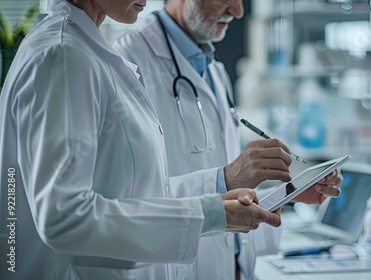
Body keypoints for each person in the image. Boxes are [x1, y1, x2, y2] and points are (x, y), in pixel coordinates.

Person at [0, 0, 283, 279]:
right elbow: (64, 218)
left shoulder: (87, 50)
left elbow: (136, 191)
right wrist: (209, 215)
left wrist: (218, 205)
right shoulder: (63, 55)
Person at [112, 0, 343, 279]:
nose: (238, 11)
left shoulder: (213, 69)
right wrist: (227, 178)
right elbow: (122, 207)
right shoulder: (124, 63)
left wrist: (286, 193)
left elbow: (223, 198)